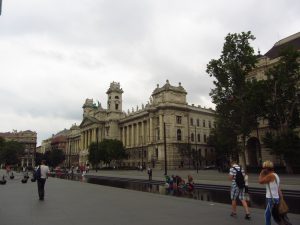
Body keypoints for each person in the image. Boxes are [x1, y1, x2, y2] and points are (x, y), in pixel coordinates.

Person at [259, 160, 281, 225]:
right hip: (276, 198)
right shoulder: (275, 175)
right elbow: (279, 188)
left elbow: (260, 181)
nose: (263, 169)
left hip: (271, 199)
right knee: (276, 215)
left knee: (267, 215)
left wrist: (261, 173)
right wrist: (281, 198)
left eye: (263, 168)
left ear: (266, 168)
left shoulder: (270, 176)